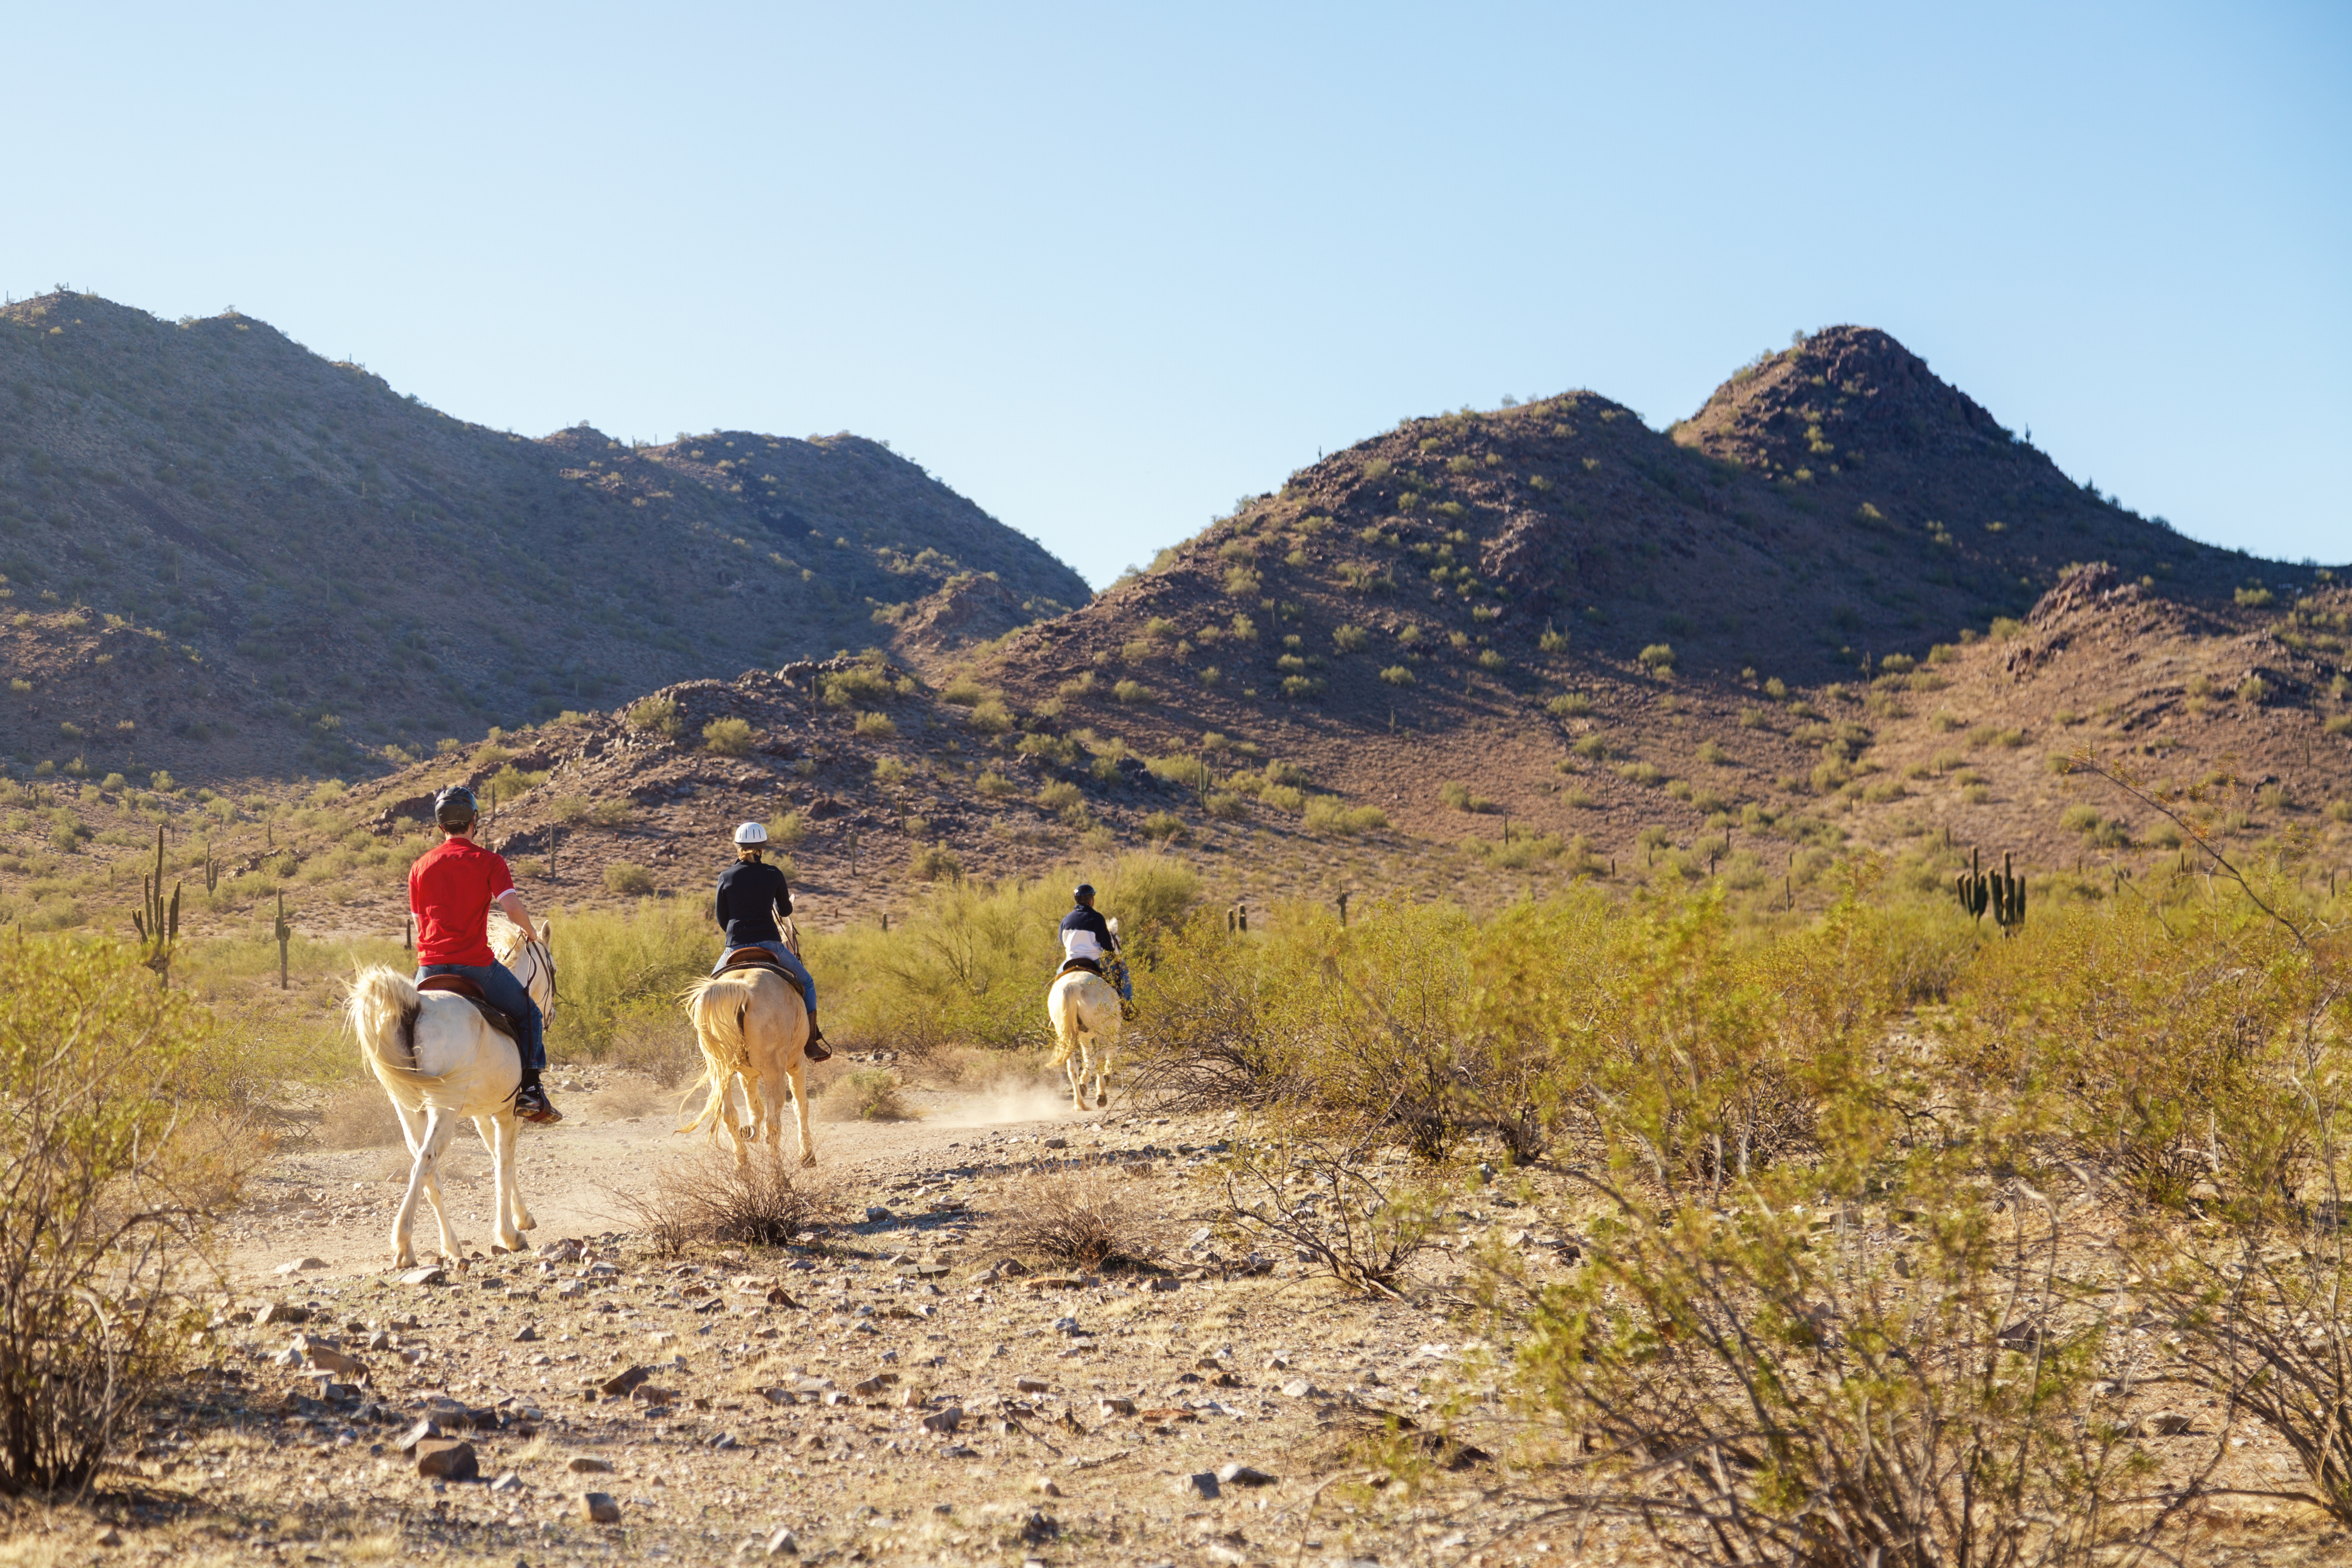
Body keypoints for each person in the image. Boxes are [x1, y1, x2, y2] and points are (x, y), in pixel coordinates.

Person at [408, 785, 561, 1124]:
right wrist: (532, 933)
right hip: (475, 966)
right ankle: (532, 1091)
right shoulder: (489, 861)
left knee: (403, 1018)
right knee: (530, 1013)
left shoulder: (419, 867)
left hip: (428, 968)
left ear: (440, 825)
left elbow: (421, 926)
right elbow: (511, 907)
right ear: (474, 820)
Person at [713, 821, 831, 1061]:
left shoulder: (726, 876)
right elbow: (786, 911)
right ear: (762, 849)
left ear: (738, 847)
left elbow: (721, 917)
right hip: (770, 944)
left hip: (735, 945)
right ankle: (810, 1042)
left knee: (707, 991)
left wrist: (737, 937)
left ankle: (708, 1048)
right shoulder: (773, 874)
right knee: (807, 983)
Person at [1059, 883, 1132, 1006]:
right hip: (1094, 961)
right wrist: (1113, 956)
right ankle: (1127, 1006)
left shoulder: (1066, 920)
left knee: (1057, 979)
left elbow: (1062, 941)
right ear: (1091, 901)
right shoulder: (1097, 918)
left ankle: (1051, 1016)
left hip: (1070, 961)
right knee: (1123, 968)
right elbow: (1106, 944)